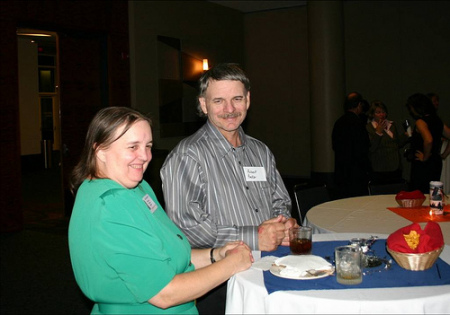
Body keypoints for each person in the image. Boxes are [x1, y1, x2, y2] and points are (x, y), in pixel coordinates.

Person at [68, 107, 253, 315]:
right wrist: (232, 264)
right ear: (100, 150)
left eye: (148, 146)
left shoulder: (135, 188)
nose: (145, 156)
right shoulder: (111, 205)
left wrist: (215, 254)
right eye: (133, 147)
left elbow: (164, 254)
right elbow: (165, 294)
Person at [160, 63, 297, 313]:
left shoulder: (261, 151)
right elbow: (187, 227)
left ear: (248, 100)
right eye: (219, 101)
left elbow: (281, 201)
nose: (229, 109)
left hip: (269, 266)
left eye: (236, 99)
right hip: (217, 280)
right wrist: (255, 237)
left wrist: (283, 224)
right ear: (203, 105)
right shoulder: (187, 156)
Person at [406, 93, 450, 194]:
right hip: (435, 162)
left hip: (422, 164)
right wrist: (443, 155)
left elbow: (428, 140)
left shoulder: (420, 122)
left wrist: (425, 157)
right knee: (433, 192)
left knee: (420, 193)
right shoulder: (437, 120)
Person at [332, 92, 371, 198]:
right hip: (357, 173)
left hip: (341, 172)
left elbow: (335, 146)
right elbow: (364, 147)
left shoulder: (338, 122)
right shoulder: (358, 123)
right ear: (359, 105)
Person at [365, 100, 408, 182]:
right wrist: (378, 132)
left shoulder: (391, 125)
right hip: (379, 167)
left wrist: (406, 136)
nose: (382, 115)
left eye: (383, 112)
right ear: (372, 114)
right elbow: (371, 148)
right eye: (378, 112)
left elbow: (397, 144)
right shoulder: (369, 127)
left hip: (395, 166)